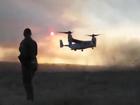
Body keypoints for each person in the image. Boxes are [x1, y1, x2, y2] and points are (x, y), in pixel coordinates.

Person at [18, 28, 38, 101]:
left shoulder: (24, 42)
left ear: (25, 34)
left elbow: (24, 53)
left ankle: (30, 99)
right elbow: (36, 53)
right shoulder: (34, 42)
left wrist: (22, 59)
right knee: (29, 81)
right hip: (34, 64)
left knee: (27, 82)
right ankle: (31, 98)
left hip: (27, 64)